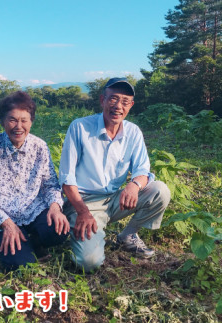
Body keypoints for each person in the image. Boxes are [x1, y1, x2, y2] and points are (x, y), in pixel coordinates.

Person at [59, 77, 171, 272]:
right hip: (84, 203)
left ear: (131, 106)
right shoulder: (80, 127)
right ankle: (81, 233)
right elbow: (66, 180)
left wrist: (133, 185)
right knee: (88, 262)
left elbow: (143, 170)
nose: (118, 106)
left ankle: (128, 235)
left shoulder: (133, 132)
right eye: (113, 99)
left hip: (114, 199)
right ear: (102, 100)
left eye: (125, 101)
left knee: (159, 190)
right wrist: (83, 212)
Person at [0, 91, 70, 271]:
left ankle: (32, 240)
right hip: (4, 215)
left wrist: (55, 208)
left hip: (33, 209)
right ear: (2, 121)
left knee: (59, 230)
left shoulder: (39, 146)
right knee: (21, 265)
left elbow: (49, 183)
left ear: (31, 122)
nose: (19, 126)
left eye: (24, 120)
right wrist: (6, 224)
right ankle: (14, 241)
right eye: (12, 120)